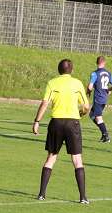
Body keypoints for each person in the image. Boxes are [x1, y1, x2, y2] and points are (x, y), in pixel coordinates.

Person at [33, 59, 91, 204]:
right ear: (71, 70)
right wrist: (81, 113)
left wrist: (37, 121)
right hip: (73, 123)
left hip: (56, 123)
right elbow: (86, 106)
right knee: (77, 160)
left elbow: (45, 103)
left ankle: (41, 194)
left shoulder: (52, 83)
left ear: (59, 70)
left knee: (51, 158)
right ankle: (83, 197)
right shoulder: (77, 83)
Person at [87, 56, 112, 143]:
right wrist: (109, 90)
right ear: (104, 63)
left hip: (98, 99)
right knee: (91, 115)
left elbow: (90, 87)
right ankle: (103, 133)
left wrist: (88, 92)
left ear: (96, 63)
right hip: (104, 98)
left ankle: (106, 135)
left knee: (98, 117)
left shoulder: (95, 73)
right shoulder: (108, 73)